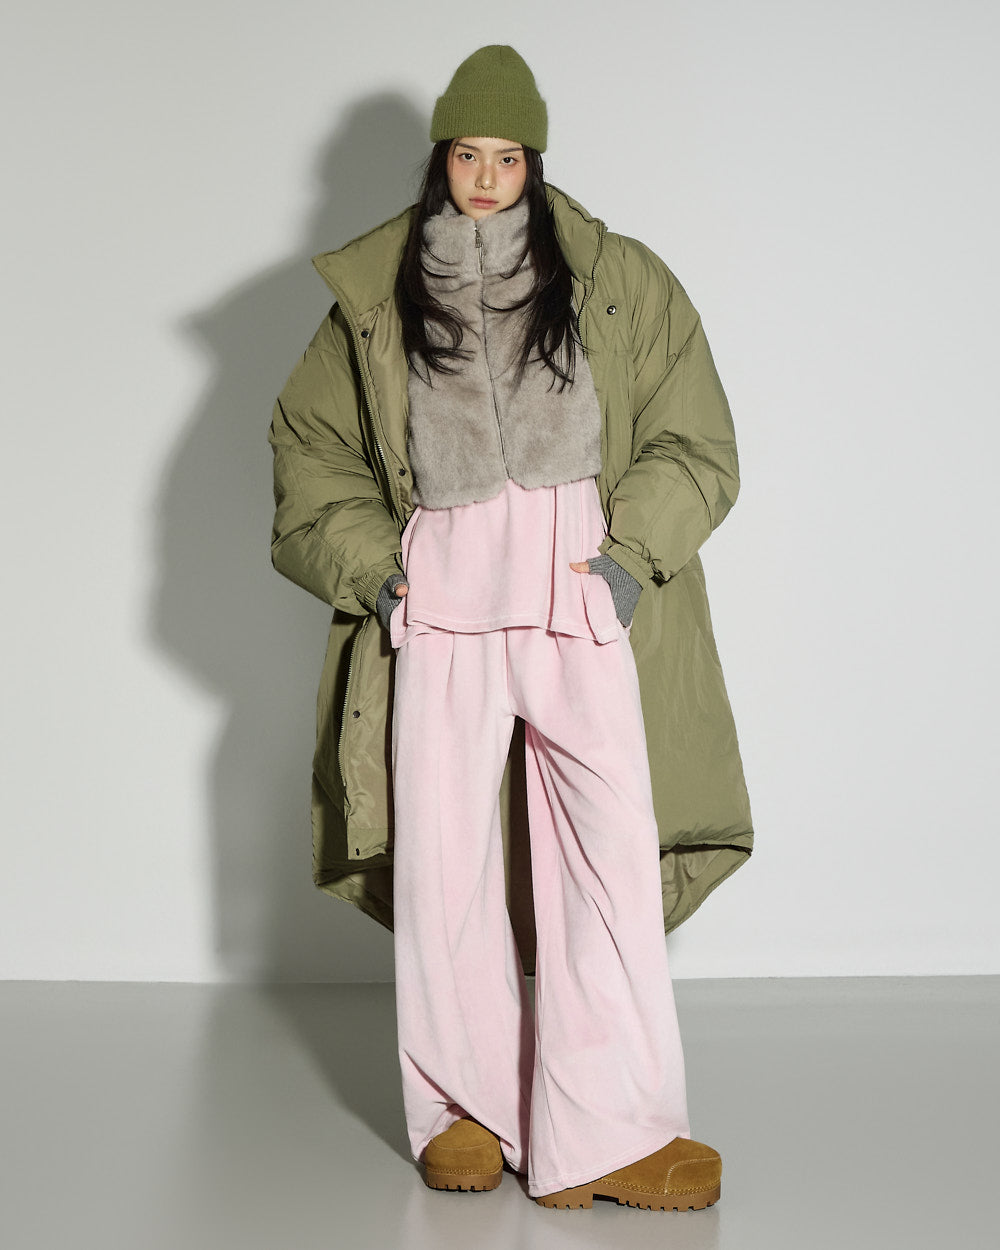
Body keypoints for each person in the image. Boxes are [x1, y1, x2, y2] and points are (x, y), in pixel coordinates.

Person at [268, 45, 754, 1210]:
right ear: (439, 158)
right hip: (440, 600)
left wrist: (629, 560)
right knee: (445, 862)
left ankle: (612, 1126)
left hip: (576, 585)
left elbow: (696, 437)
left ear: (534, 161)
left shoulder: (617, 279)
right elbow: (309, 448)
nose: (484, 178)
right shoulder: (377, 294)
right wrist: (382, 578)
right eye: (465, 154)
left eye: (506, 156)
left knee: (608, 855)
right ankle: (465, 1108)